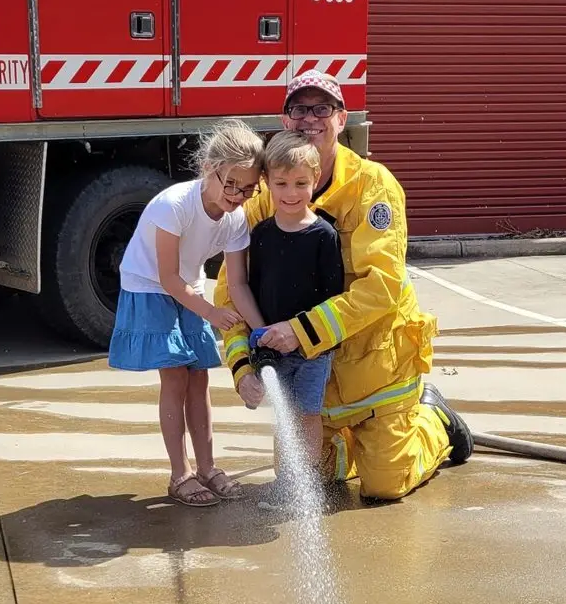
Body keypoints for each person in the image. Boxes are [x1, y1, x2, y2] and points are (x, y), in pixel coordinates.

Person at [213, 70, 475, 501]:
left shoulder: (373, 186)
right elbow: (230, 291)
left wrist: (298, 331)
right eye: (300, 109)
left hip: (375, 369)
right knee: (302, 482)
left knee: (385, 485)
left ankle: (432, 419)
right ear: (284, 120)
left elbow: (383, 285)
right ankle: (344, 445)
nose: (310, 119)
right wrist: (243, 367)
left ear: (341, 119)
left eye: (323, 109)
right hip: (309, 381)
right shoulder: (263, 196)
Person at [109, 118, 264, 507]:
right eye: (231, 184)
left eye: (248, 188)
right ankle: (180, 475)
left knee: (200, 379)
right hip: (149, 286)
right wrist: (211, 312)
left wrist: (262, 330)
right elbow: (166, 277)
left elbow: (239, 284)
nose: (238, 195)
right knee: (176, 377)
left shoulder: (235, 218)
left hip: (187, 286)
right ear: (207, 169)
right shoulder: (174, 205)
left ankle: (208, 467)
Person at [224, 130, 344, 492]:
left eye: (301, 183)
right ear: (267, 183)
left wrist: (304, 335)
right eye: (282, 183)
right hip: (272, 344)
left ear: (315, 180)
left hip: (312, 350)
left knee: (307, 414)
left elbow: (332, 296)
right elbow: (251, 287)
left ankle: (302, 482)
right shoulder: (260, 235)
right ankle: (286, 478)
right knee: (285, 414)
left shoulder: (325, 236)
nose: (291, 193)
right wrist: (260, 335)